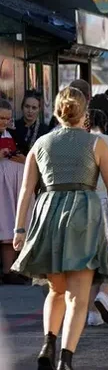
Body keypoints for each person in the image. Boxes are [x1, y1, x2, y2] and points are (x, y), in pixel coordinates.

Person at [11, 87, 108, 370]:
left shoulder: (41, 143)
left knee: (55, 290)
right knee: (79, 297)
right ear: (85, 112)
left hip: (49, 214)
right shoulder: (96, 144)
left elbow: (26, 191)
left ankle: (48, 343)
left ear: (56, 110)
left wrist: (19, 229)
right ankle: (66, 360)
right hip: (83, 216)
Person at [84, 109, 108, 327]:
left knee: (87, 261)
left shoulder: (77, 143)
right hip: (104, 202)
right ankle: (102, 297)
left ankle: (90, 312)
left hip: (81, 201)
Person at [0, 99, 29, 285]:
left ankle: (13, 269)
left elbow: (27, 154)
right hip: (3, 188)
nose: (4, 122)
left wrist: (21, 159)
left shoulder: (13, 134)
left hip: (12, 187)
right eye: (1, 118)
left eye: (7, 119)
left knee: (11, 224)